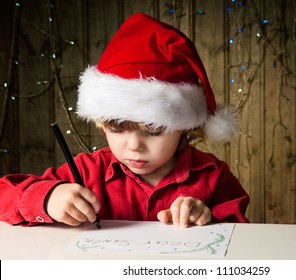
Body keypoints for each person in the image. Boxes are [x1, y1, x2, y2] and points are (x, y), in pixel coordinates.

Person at [0, 13, 249, 228]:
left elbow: (243, 235)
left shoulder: (214, 177)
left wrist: (209, 220)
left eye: (152, 131)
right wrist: (47, 198)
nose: (133, 146)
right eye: (117, 129)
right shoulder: (88, 172)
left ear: (183, 127)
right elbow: (4, 195)